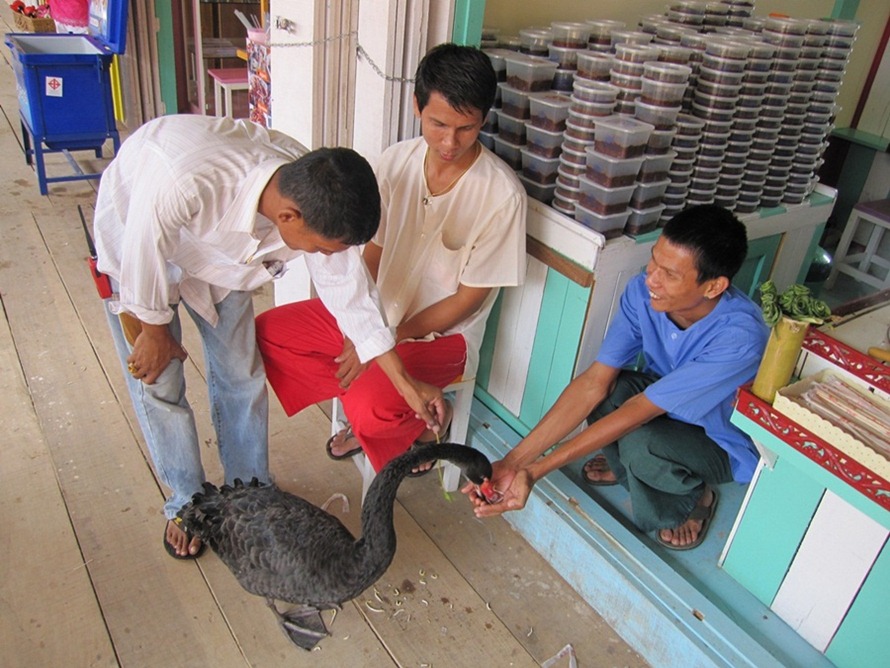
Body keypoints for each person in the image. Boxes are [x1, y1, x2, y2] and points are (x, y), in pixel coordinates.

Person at [94, 115, 444, 559]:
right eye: (316, 248)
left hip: (221, 263)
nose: (319, 258)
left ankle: (248, 488)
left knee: (241, 372)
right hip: (136, 249)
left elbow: (351, 296)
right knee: (160, 384)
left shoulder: (312, 194)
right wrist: (153, 328)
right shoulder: (183, 181)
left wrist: (405, 384)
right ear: (287, 216)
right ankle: (188, 501)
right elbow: (144, 246)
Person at [256, 43, 526, 473]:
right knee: (268, 333)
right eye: (437, 124)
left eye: (467, 128)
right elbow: (373, 253)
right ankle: (379, 411)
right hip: (377, 314)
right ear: (417, 105)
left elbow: (468, 300)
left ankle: (403, 423)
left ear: (484, 119)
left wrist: (383, 338)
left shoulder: (502, 194)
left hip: (444, 338)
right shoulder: (394, 162)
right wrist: (357, 321)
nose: (449, 141)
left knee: (369, 403)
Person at [465, 205, 769, 550]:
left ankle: (689, 500)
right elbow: (595, 382)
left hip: (715, 438)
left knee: (643, 444)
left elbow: (640, 410)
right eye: (653, 261)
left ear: (714, 286)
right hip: (662, 404)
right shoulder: (642, 292)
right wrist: (512, 462)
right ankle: (631, 471)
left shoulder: (741, 337)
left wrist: (536, 470)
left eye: (669, 274)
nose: (651, 278)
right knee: (609, 392)